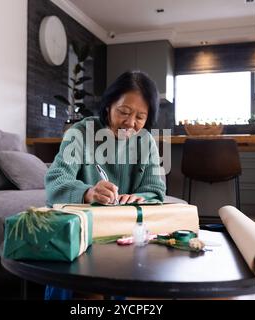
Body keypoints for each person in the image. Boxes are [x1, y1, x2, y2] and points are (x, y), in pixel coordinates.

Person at [44, 70, 166, 299]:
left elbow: (155, 190)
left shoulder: (146, 141)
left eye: (140, 117)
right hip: (81, 232)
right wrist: (87, 192)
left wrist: (142, 198)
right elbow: (55, 183)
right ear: (109, 105)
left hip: (124, 233)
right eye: (124, 112)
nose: (130, 123)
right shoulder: (80, 133)